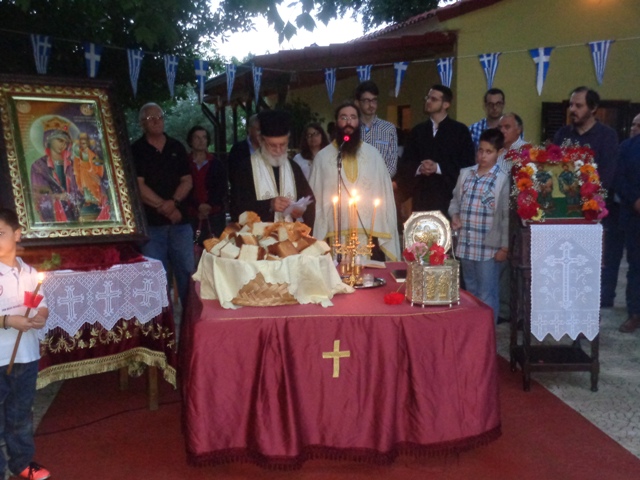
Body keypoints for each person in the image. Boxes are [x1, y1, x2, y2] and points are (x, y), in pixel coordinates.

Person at [552, 86, 619, 307]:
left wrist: (588, 199)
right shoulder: (563, 135)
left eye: (578, 105)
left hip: (593, 214)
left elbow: (606, 177)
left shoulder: (607, 136)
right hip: (564, 212)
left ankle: (587, 314)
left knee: (588, 270)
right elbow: (553, 169)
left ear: (593, 108)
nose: (573, 109)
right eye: (571, 105)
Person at [309, 102, 400, 260]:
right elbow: (316, 196)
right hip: (334, 233)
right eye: (343, 117)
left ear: (359, 122)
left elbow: (384, 193)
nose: (348, 122)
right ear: (336, 122)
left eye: (353, 117)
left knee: (368, 273)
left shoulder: (373, 155)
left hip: (368, 233)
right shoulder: (322, 157)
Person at [0, 208, 51, 480]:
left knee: (20, 414)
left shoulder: (30, 272)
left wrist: (40, 316)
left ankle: (21, 462)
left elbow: (41, 304)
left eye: (0, 233)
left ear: (17, 234)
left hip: (26, 355)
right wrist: (9, 320)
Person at [131, 103, 194, 310]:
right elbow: (138, 187)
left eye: (160, 117)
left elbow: (187, 181)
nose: (157, 121)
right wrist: (165, 207)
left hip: (180, 224)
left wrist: (174, 203)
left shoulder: (177, 147)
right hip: (152, 226)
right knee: (154, 277)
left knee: (187, 273)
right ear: (142, 123)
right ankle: (161, 323)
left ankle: (189, 322)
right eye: (151, 119)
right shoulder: (136, 150)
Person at [449, 129, 510, 324]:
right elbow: (455, 201)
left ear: (499, 152)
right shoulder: (466, 174)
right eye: (480, 150)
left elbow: (506, 217)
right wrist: (455, 215)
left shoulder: (502, 179)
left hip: (488, 248)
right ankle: (473, 331)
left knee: (487, 293)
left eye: (489, 152)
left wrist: (504, 247)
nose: (483, 156)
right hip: (467, 244)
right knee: (470, 291)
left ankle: (487, 333)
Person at [395, 84, 475, 217]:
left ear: (446, 104)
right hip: (421, 197)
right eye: (428, 98)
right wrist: (419, 168)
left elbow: (467, 164)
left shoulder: (460, 131)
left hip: (448, 198)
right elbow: (406, 162)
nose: (428, 101)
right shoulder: (417, 131)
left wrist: (438, 167)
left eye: (434, 99)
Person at [228, 109, 314, 225]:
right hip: (258, 235)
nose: (278, 150)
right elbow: (237, 207)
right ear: (261, 140)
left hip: (290, 234)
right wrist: (269, 205)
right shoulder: (246, 168)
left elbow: (309, 200)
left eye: (283, 144)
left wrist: (301, 210)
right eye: (273, 145)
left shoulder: (294, 168)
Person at [30, 120, 82, 223]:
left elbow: (77, 189)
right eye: (60, 140)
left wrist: (75, 198)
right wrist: (57, 197)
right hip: (53, 215)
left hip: (72, 213)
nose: (63, 145)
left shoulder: (71, 165)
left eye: (66, 142)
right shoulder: (39, 166)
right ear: (49, 139)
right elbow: (38, 193)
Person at [615, 133, 640, 332]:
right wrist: (635, 200)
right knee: (636, 266)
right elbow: (619, 177)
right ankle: (635, 313)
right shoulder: (628, 147)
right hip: (635, 214)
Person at [186, 126, 227, 241]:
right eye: (197, 137)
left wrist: (208, 205)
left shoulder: (216, 163)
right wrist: (198, 206)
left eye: (204, 137)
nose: (201, 141)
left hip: (214, 214)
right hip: (190, 214)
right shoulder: (184, 162)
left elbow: (222, 188)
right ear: (190, 141)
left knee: (215, 246)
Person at [354, 80, 399, 177]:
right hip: (354, 183)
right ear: (357, 103)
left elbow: (392, 165)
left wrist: (377, 180)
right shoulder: (352, 128)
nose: (371, 105)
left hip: (381, 182)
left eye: (374, 100)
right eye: (366, 101)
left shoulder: (389, 129)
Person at [227, 114, 260, 179]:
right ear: (249, 130)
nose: (262, 133)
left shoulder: (270, 148)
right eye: (258, 130)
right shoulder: (237, 149)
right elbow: (233, 174)